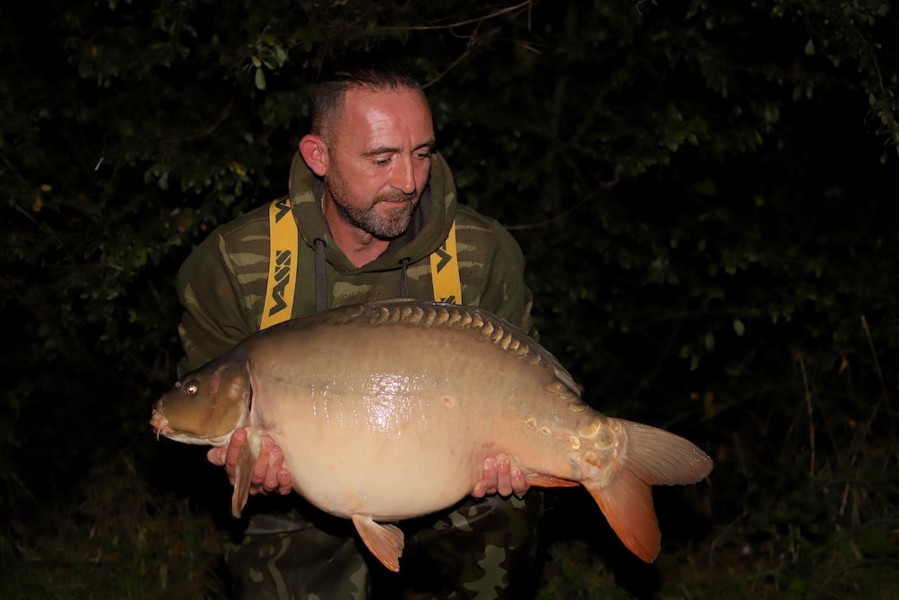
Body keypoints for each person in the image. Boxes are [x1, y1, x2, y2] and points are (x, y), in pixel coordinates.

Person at [175, 51, 542, 599]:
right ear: (317, 155)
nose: (409, 181)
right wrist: (244, 464)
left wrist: (515, 456)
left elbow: (526, 386)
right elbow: (210, 400)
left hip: (451, 478)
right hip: (299, 500)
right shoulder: (236, 261)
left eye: (422, 154)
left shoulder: (481, 252)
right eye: (381, 159)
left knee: (508, 512)